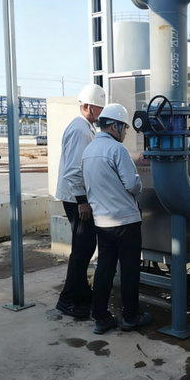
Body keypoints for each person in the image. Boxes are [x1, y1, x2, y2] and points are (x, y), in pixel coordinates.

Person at [81, 103, 153, 334]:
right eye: (125, 128)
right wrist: (139, 186)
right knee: (130, 270)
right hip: (126, 222)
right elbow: (132, 184)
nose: (125, 132)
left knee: (104, 269)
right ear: (115, 126)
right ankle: (131, 316)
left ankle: (101, 317)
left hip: (102, 222)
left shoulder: (89, 151)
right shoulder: (116, 149)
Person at [54, 83, 106, 318]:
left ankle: (82, 292)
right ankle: (67, 299)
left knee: (85, 246)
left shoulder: (86, 127)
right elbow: (74, 170)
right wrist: (82, 201)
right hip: (77, 199)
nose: (101, 113)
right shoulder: (80, 130)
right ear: (87, 107)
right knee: (82, 248)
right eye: (98, 108)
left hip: (79, 197)